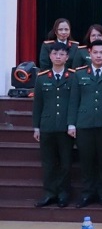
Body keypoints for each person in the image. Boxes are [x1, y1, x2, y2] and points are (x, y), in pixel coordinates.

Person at [68, 40, 102, 208]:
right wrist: (71, 124)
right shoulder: (79, 74)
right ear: (89, 53)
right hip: (84, 124)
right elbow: (74, 100)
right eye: (95, 52)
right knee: (86, 161)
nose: (98, 56)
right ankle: (87, 193)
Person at [32, 42, 75, 208]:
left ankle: (63, 193)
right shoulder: (42, 77)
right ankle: (49, 193)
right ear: (50, 56)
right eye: (55, 54)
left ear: (67, 57)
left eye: (61, 54)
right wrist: (36, 127)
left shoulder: (73, 76)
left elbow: (74, 103)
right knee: (48, 162)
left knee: (65, 162)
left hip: (65, 127)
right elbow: (38, 104)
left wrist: (72, 124)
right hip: (47, 125)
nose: (58, 57)